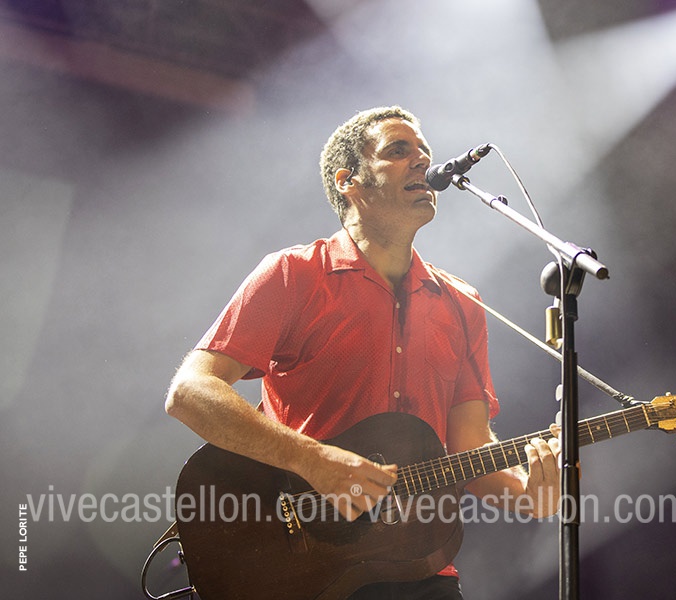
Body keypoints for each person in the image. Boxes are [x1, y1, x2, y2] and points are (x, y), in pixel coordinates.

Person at [164, 106, 561, 599]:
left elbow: (468, 451)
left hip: (422, 569)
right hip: (305, 570)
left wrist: (530, 495)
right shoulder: (294, 274)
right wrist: (313, 459)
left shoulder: (463, 304)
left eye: (424, 152)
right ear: (348, 180)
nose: (422, 161)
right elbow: (190, 392)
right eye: (399, 150)